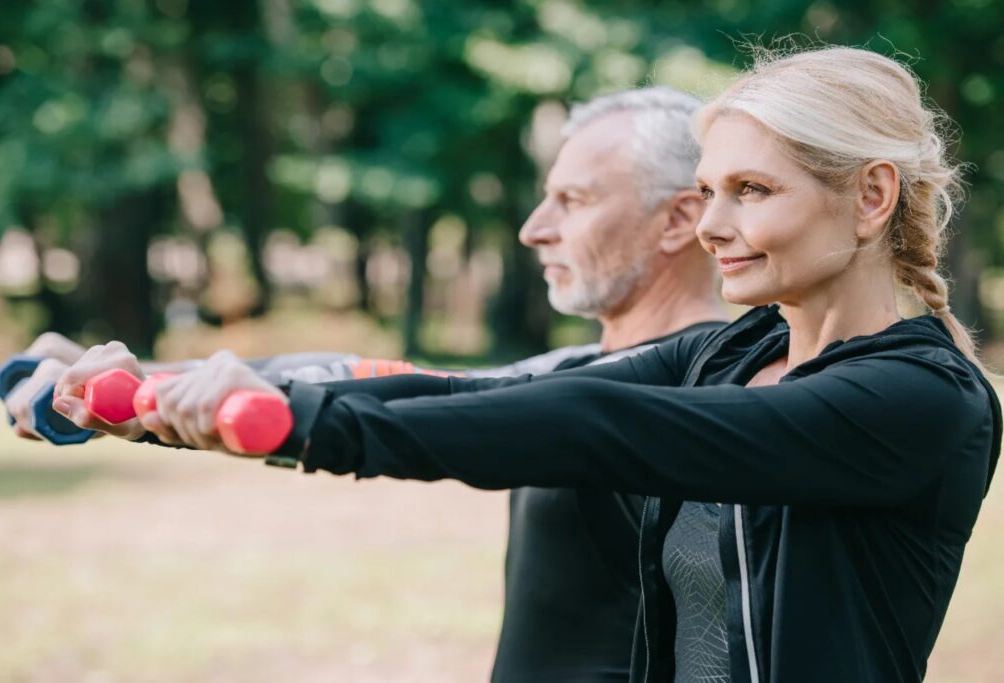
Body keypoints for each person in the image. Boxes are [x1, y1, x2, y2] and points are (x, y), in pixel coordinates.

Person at [102, 46, 1000, 681]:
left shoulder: (919, 400)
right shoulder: (734, 351)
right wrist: (177, 405)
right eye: (711, 190)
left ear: (872, 195)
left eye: (752, 191)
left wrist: (311, 425)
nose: (714, 224)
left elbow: (598, 428)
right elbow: (505, 394)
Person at [24, 87, 728, 681]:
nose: (532, 228)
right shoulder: (575, 371)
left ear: (678, 220)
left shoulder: (718, 397)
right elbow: (399, 381)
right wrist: (146, 381)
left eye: (571, 201)